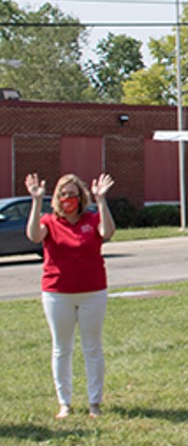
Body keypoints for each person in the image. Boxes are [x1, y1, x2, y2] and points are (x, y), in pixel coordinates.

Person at [25, 172, 116, 419]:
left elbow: (107, 232)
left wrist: (102, 200)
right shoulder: (49, 221)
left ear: (81, 197)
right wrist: (35, 201)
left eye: (73, 194)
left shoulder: (92, 219)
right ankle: (64, 403)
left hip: (92, 292)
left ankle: (94, 403)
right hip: (57, 293)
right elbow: (34, 236)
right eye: (63, 194)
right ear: (57, 197)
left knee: (92, 348)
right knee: (61, 349)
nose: (68, 199)